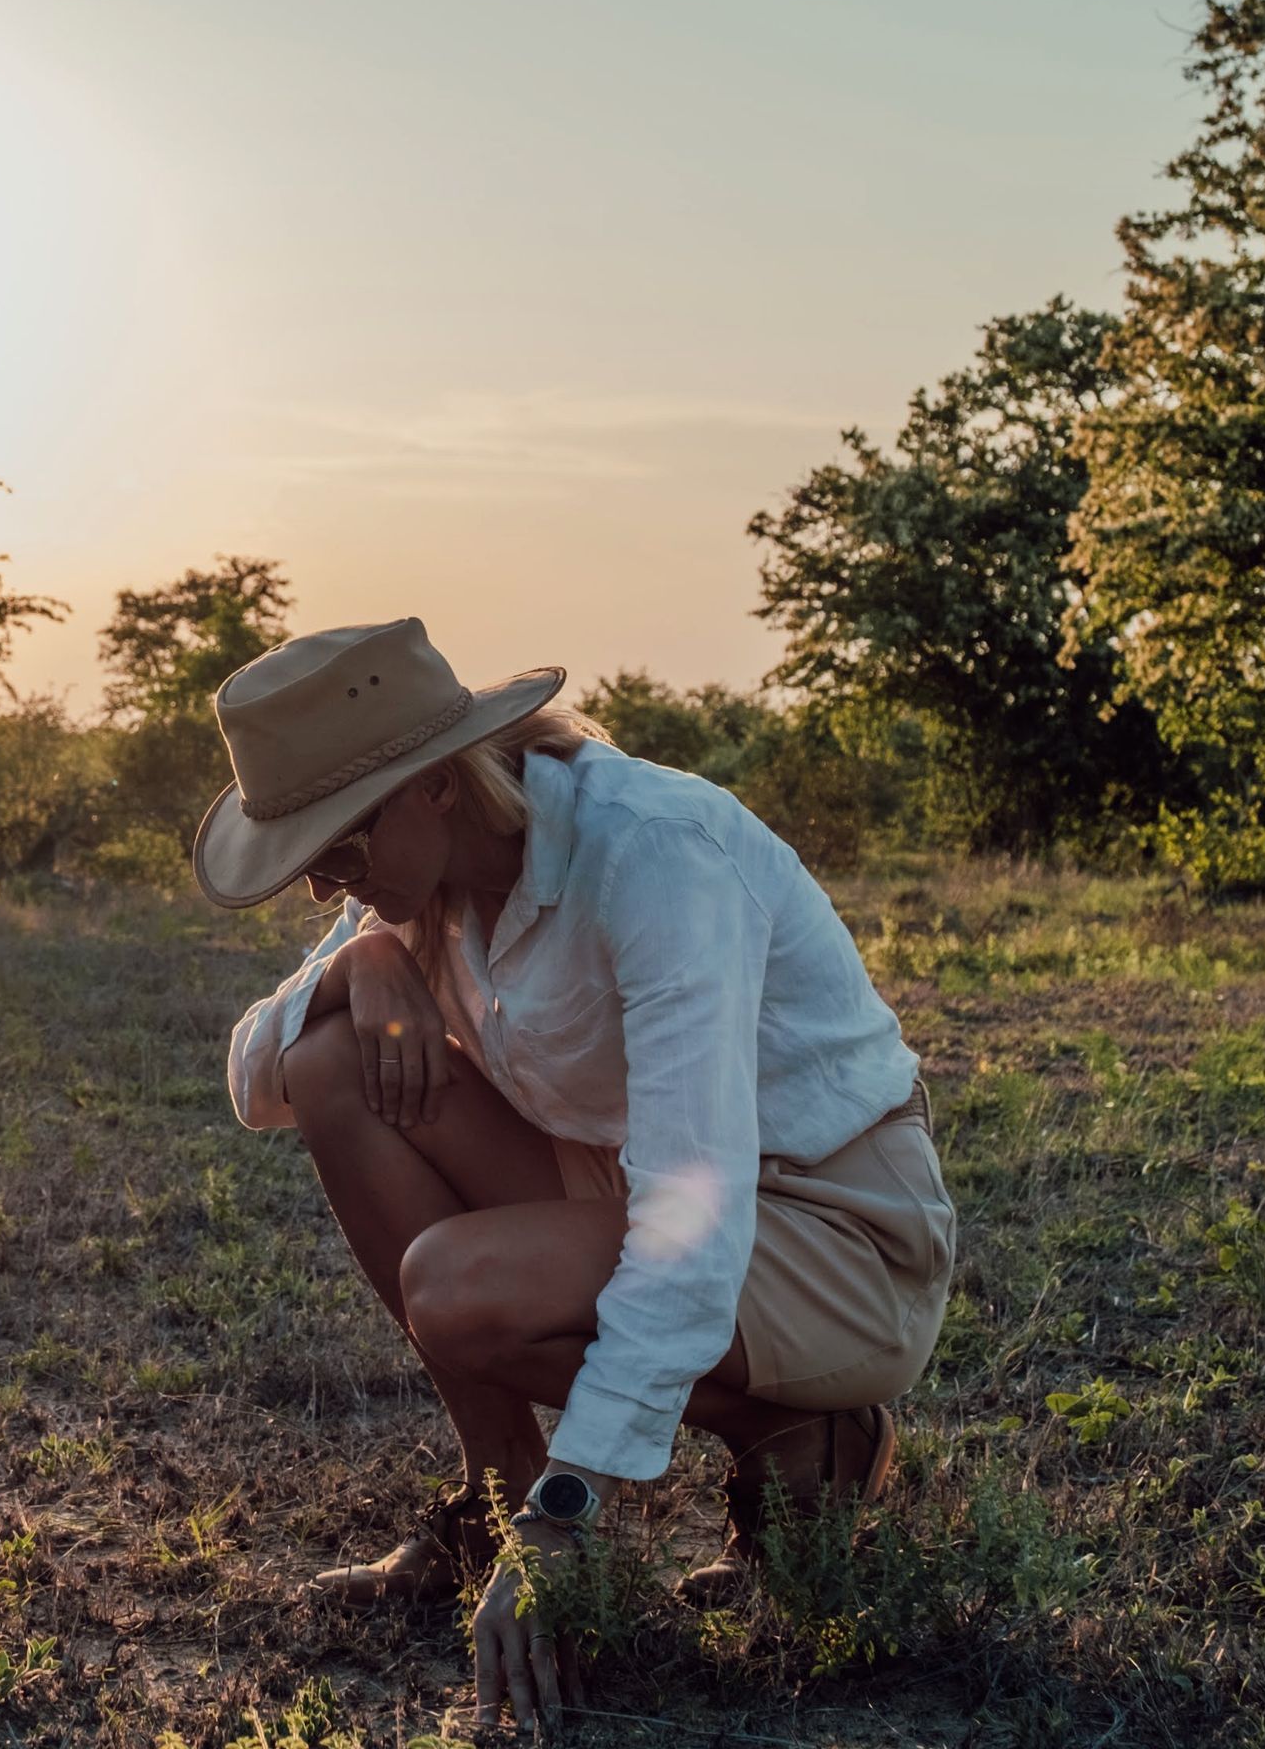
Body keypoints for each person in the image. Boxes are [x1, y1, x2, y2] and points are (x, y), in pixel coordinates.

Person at [195, 620, 954, 1731]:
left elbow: (693, 1223)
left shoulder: (655, 854)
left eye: (339, 852)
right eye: (309, 863)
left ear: (438, 788)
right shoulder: (408, 893)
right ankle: (494, 1497)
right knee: (328, 1060)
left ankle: (794, 1437)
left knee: (458, 1285)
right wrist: (360, 966)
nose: (324, 889)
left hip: (833, 1232)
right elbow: (255, 1082)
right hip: (631, 1194)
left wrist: (569, 1519)